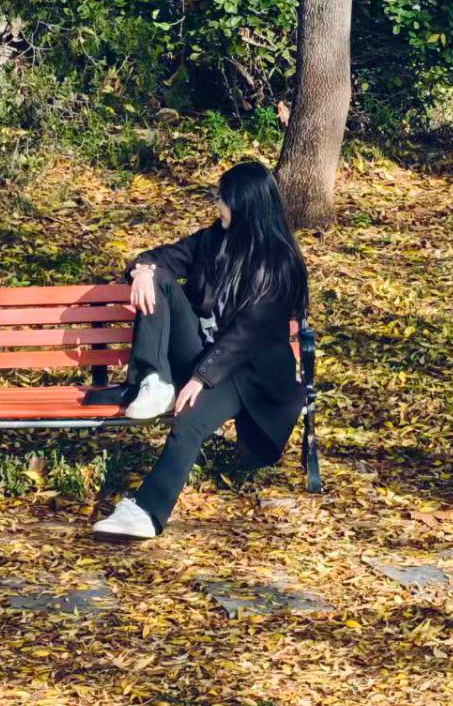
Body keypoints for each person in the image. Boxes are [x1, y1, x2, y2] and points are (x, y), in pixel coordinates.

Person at [92, 160, 308, 540]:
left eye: (223, 199)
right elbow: (160, 258)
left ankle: (146, 513)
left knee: (188, 421)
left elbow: (246, 334)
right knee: (158, 277)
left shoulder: (279, 261)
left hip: (248, 373)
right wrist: (141, 272)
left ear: (244, 204)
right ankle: (154, 380)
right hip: (206, 357)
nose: (217, 205)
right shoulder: (213, 240)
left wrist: (199, 378)